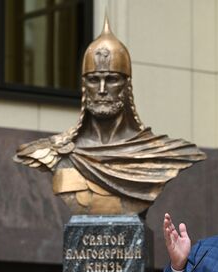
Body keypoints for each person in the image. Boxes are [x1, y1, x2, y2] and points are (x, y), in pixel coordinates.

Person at [14, 16, 205, 215]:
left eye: (112, 79)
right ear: (84, 86)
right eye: (94, 80)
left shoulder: (163, 154)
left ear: (126, 87)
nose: (102, 89)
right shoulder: (53, 152)